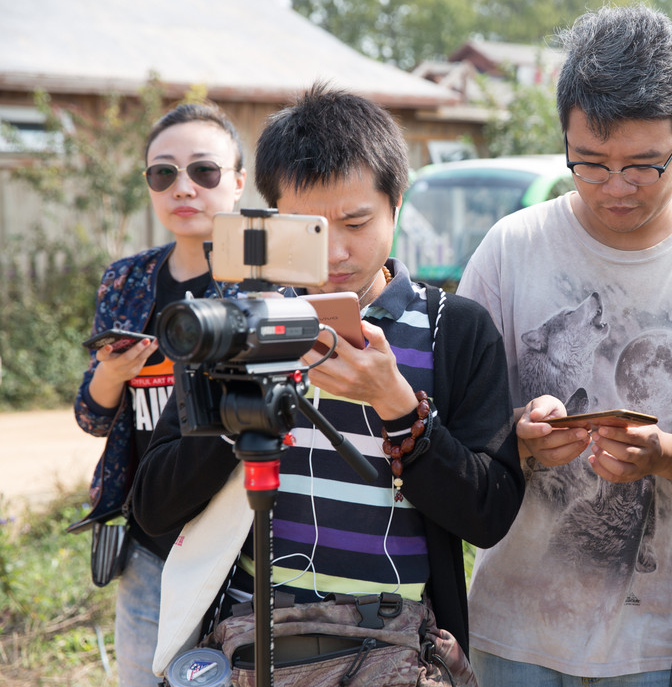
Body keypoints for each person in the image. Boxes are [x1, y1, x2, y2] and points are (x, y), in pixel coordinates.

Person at [128, 84, 524, 669]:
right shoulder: (242, 324)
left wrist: (396, 404)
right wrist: (240, 406)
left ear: (397, 205)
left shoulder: (454, 330)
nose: (336, 252)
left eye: (356, 221)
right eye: (308, 230)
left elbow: (488, 515)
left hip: (394, 646)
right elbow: (153, 506)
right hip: (253, 643)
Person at [457, 5, 672, 686]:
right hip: (513, 634)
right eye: (590, 164)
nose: (615, 189)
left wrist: (668, 454)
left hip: (667, 644)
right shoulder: (512, 249)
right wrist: (518, 439)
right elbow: (450, 425)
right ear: (563, 137)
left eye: (643, 166)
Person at [72, 101, 247, 687]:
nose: (183, 188)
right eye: (163, 173)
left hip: (240, 537)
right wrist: (114, 374)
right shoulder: (126, 280)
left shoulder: (263, 280)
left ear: (239, 181)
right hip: (149, 541)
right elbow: (95, 418)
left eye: (204, 170)